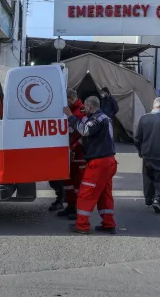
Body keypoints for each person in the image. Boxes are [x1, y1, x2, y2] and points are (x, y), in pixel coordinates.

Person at [63, 96, 118, 234]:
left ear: (91, 107)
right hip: (108, 161)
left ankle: (81, 225)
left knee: (86, 194)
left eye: (86, 108)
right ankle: (108, 223)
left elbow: (85, 131)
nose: (84, 110)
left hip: (98, 163)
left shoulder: (97, 119)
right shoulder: (105, 118)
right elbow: (89, 138)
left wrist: (71, 117)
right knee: (105, 194)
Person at [57, 88, 86, 219]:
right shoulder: (69, 110)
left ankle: (78, 209)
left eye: (67, 99)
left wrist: (73, 147)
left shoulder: (82, 111)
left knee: (77, 183)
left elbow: (84, 135)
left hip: (79, 154)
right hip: (67, 152)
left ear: (72, 99)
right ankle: (70, 205)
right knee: (67, 182)